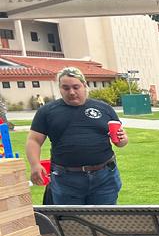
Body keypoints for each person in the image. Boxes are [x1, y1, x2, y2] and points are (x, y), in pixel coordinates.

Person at [26, 67, 128, 205]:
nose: (72, 92)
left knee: (105, 221)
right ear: (60, 89)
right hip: (66, 179)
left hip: (104, 177)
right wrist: (35, 164)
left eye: (76, 87)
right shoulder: (47, 111)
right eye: (66, 88)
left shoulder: (104, 108)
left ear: (84, 86)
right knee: (70, 223)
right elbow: (34, 140)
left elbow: (120, 142)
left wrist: (123, 139)